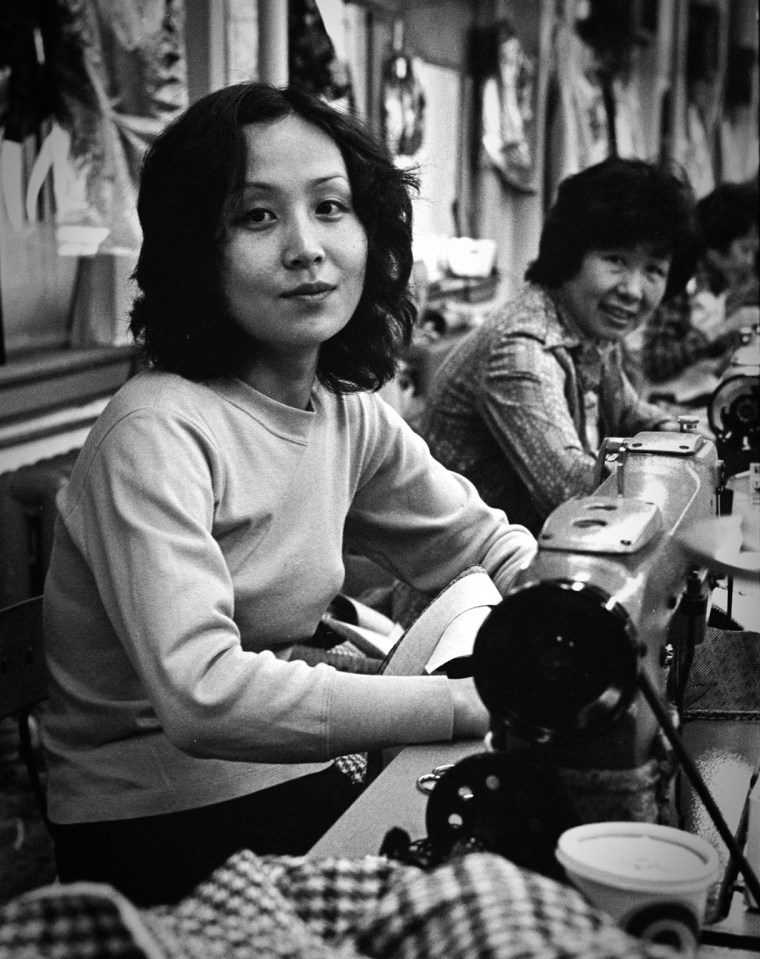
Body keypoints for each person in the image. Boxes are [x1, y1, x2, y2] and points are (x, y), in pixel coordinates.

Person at [40, 82, 537, 906]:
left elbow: (481, 542)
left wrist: (553, 596)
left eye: (332, 207)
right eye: (256, 216)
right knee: (483, 881)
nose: (307, 247)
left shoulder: (342, 412)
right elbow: (205, 696)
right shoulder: (156, 431)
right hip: (159, 820)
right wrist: (457, 702)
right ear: (196, 247)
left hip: (288, 774)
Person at [410, 157, 698, 539]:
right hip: (475, 585)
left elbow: (630, 413)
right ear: (569, 251)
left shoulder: (589, 329)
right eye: (616, 260)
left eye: (653, 271)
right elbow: (574, 493)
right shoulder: (522, 350)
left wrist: (680, 436)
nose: (632, 290)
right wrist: (676, 467)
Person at [641, 177, 759, 388]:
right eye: (745, 250)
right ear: (716, 246)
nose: (749, 262)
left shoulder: (735, 285)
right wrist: (724, 328)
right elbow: (654, 363)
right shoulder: (680, 279)